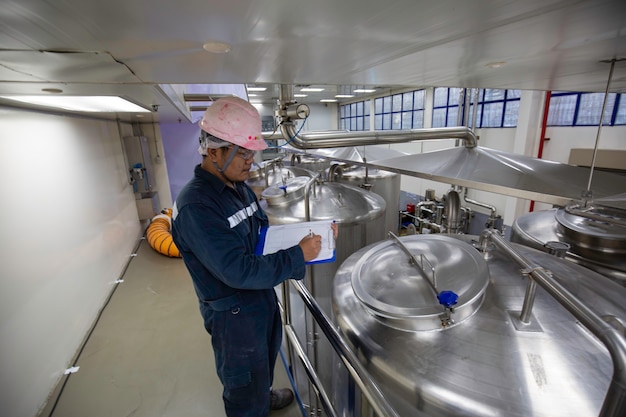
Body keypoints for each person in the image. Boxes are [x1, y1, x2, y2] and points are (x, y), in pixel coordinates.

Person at [171, 96, 337, 417]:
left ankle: (262, 395)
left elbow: (260, 236)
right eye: (243, 152)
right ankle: (251, 405)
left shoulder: (236, 186)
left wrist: (313, 235)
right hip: (233, 316)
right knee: (242, 379)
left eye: (252, 152)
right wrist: (296, 255)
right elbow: (238, 270)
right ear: (214, 151)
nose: (251, 160)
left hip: (258, 300)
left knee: (262, 361)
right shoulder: (198, 206)